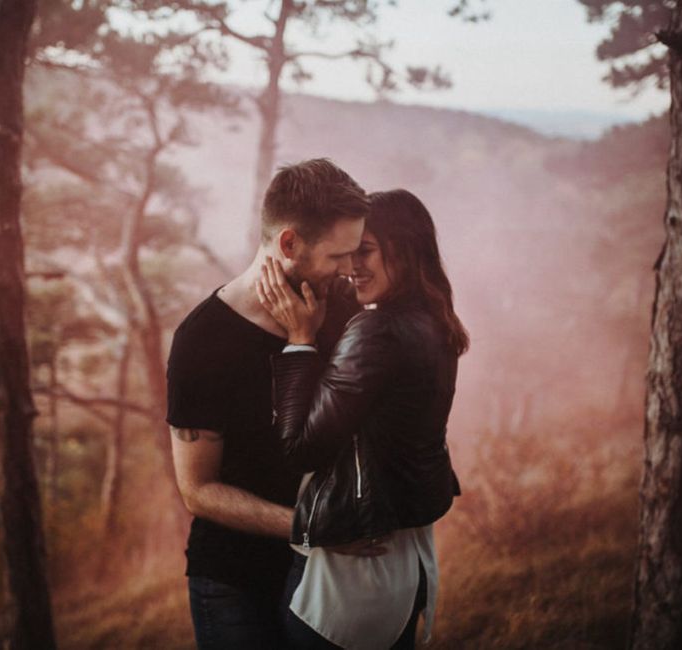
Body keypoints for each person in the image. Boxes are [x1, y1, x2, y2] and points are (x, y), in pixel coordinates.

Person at [166, 158, 371, 649]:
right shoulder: (202, 340)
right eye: (338, 256)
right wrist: (309, 528)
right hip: (234, 580)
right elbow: (198, 489)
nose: (350, 269)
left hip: (327, 571)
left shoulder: (342, 306)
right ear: (288, 243)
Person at [257, 188, 469, 649]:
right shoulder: (435, 322)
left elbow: (301, 447)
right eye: (349, 254)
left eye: (365, 251)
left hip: (347, 588)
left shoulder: (378, 331)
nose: (353, 267)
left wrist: (298, 340)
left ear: (406, 249)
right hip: (407, 566)